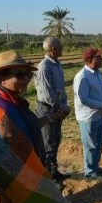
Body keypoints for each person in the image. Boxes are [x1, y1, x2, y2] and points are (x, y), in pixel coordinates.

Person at [0, 50, 71, 203]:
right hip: (17, 181)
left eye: (28, 75)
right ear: (1, 78)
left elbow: (28, 128)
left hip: (28, 175)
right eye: (20, 75)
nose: (26, 79)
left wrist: (50, 116)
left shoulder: (14, 100)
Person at [73, 48, 102, 179]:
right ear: (89, 60)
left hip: (99, 115)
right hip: (88, 118)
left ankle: (95, 167)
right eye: (98, 57)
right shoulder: (82, 77)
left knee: (99, 142)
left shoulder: (98, 73)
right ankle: (90, 172)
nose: (101, 59)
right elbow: (83, 99)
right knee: (90, 145)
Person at [34, 37, 72, 180]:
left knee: (55, 141)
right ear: (54, 49)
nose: (63, 48)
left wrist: (63, 106)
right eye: (61, 46)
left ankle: (53, 171)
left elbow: (60, 88)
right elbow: (47, 94)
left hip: (57, 108)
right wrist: (62, 107)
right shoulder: (44, 67)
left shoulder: (57, 64)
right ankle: (47, 176)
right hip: (48, 109)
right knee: (47, 143)